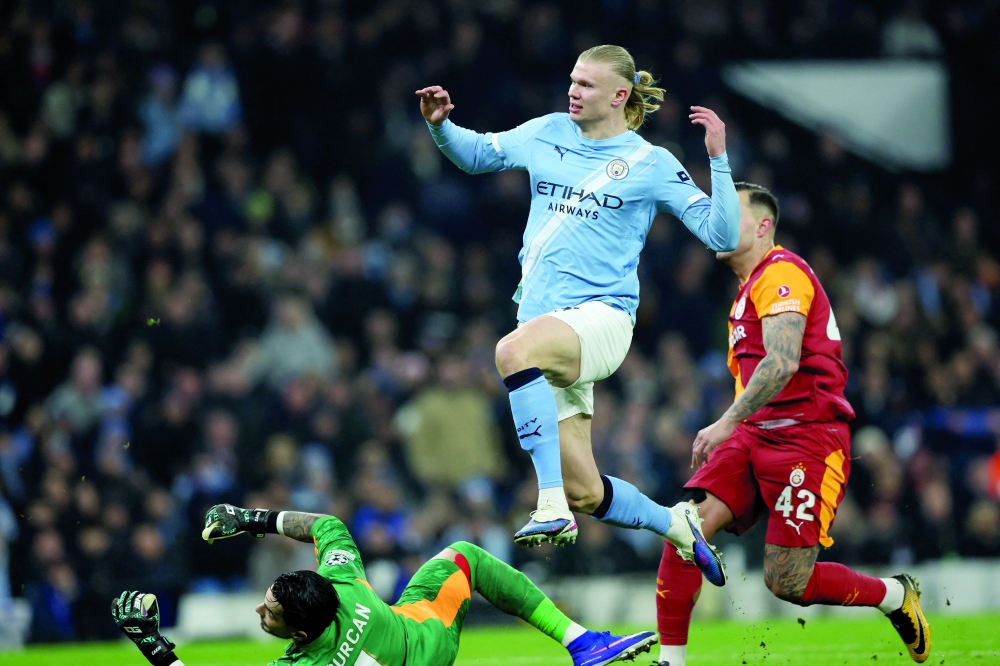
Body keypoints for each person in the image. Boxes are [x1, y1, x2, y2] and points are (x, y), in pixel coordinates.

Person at [416, 44, 738, 583]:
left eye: (586, 84)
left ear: (618, 95)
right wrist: (441, 127)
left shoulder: (650, 162)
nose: (573, 90)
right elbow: (475, 155)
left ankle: (548, 506)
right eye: (572, 80)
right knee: (587, 491)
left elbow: (721, 234)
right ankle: (677, 524)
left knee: (509, 352)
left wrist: (718, 157)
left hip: (602, 320)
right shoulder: (547, 132)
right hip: (546, 324)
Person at [652, 183, 931, 666]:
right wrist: (733, 431)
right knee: (684, 528)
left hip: (808, 437)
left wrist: (721, 424)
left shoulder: (783, 274)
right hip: (754, 433)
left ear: (762, 226)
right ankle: (670, 661)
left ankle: (893, 596)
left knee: (787, 581)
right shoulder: (744, 293)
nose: (715, 223)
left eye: (729, 214)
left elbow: (781, 364)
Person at [112, 503, 658, 666]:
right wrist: (250, 520)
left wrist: (153, 645)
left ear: (299, 636)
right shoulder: (343, 585)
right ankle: (579, 642)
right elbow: (326, 526)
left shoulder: (305, 665)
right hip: (428, 637)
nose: (260, 608)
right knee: (464, 556)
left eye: (270, 610)